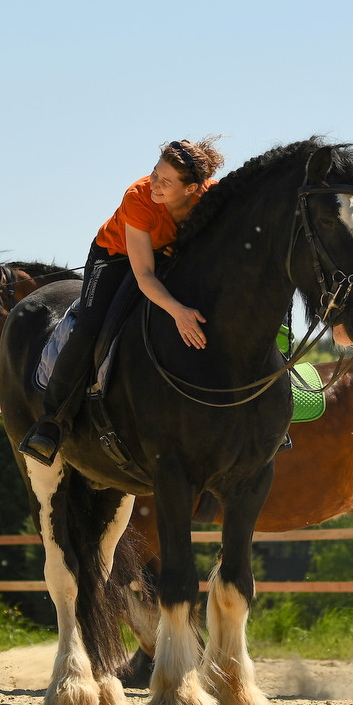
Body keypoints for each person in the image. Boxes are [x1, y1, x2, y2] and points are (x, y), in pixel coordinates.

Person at [18, 138, 224, 465]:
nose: (153, 183)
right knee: (89, 327)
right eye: (155, 172)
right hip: (115, 257)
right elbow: (144, 275)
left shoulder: (211, 196)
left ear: (192, 189)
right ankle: (52, 422)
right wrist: (179, 313)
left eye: (165, 181)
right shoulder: (138, 197)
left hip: (165, 255)